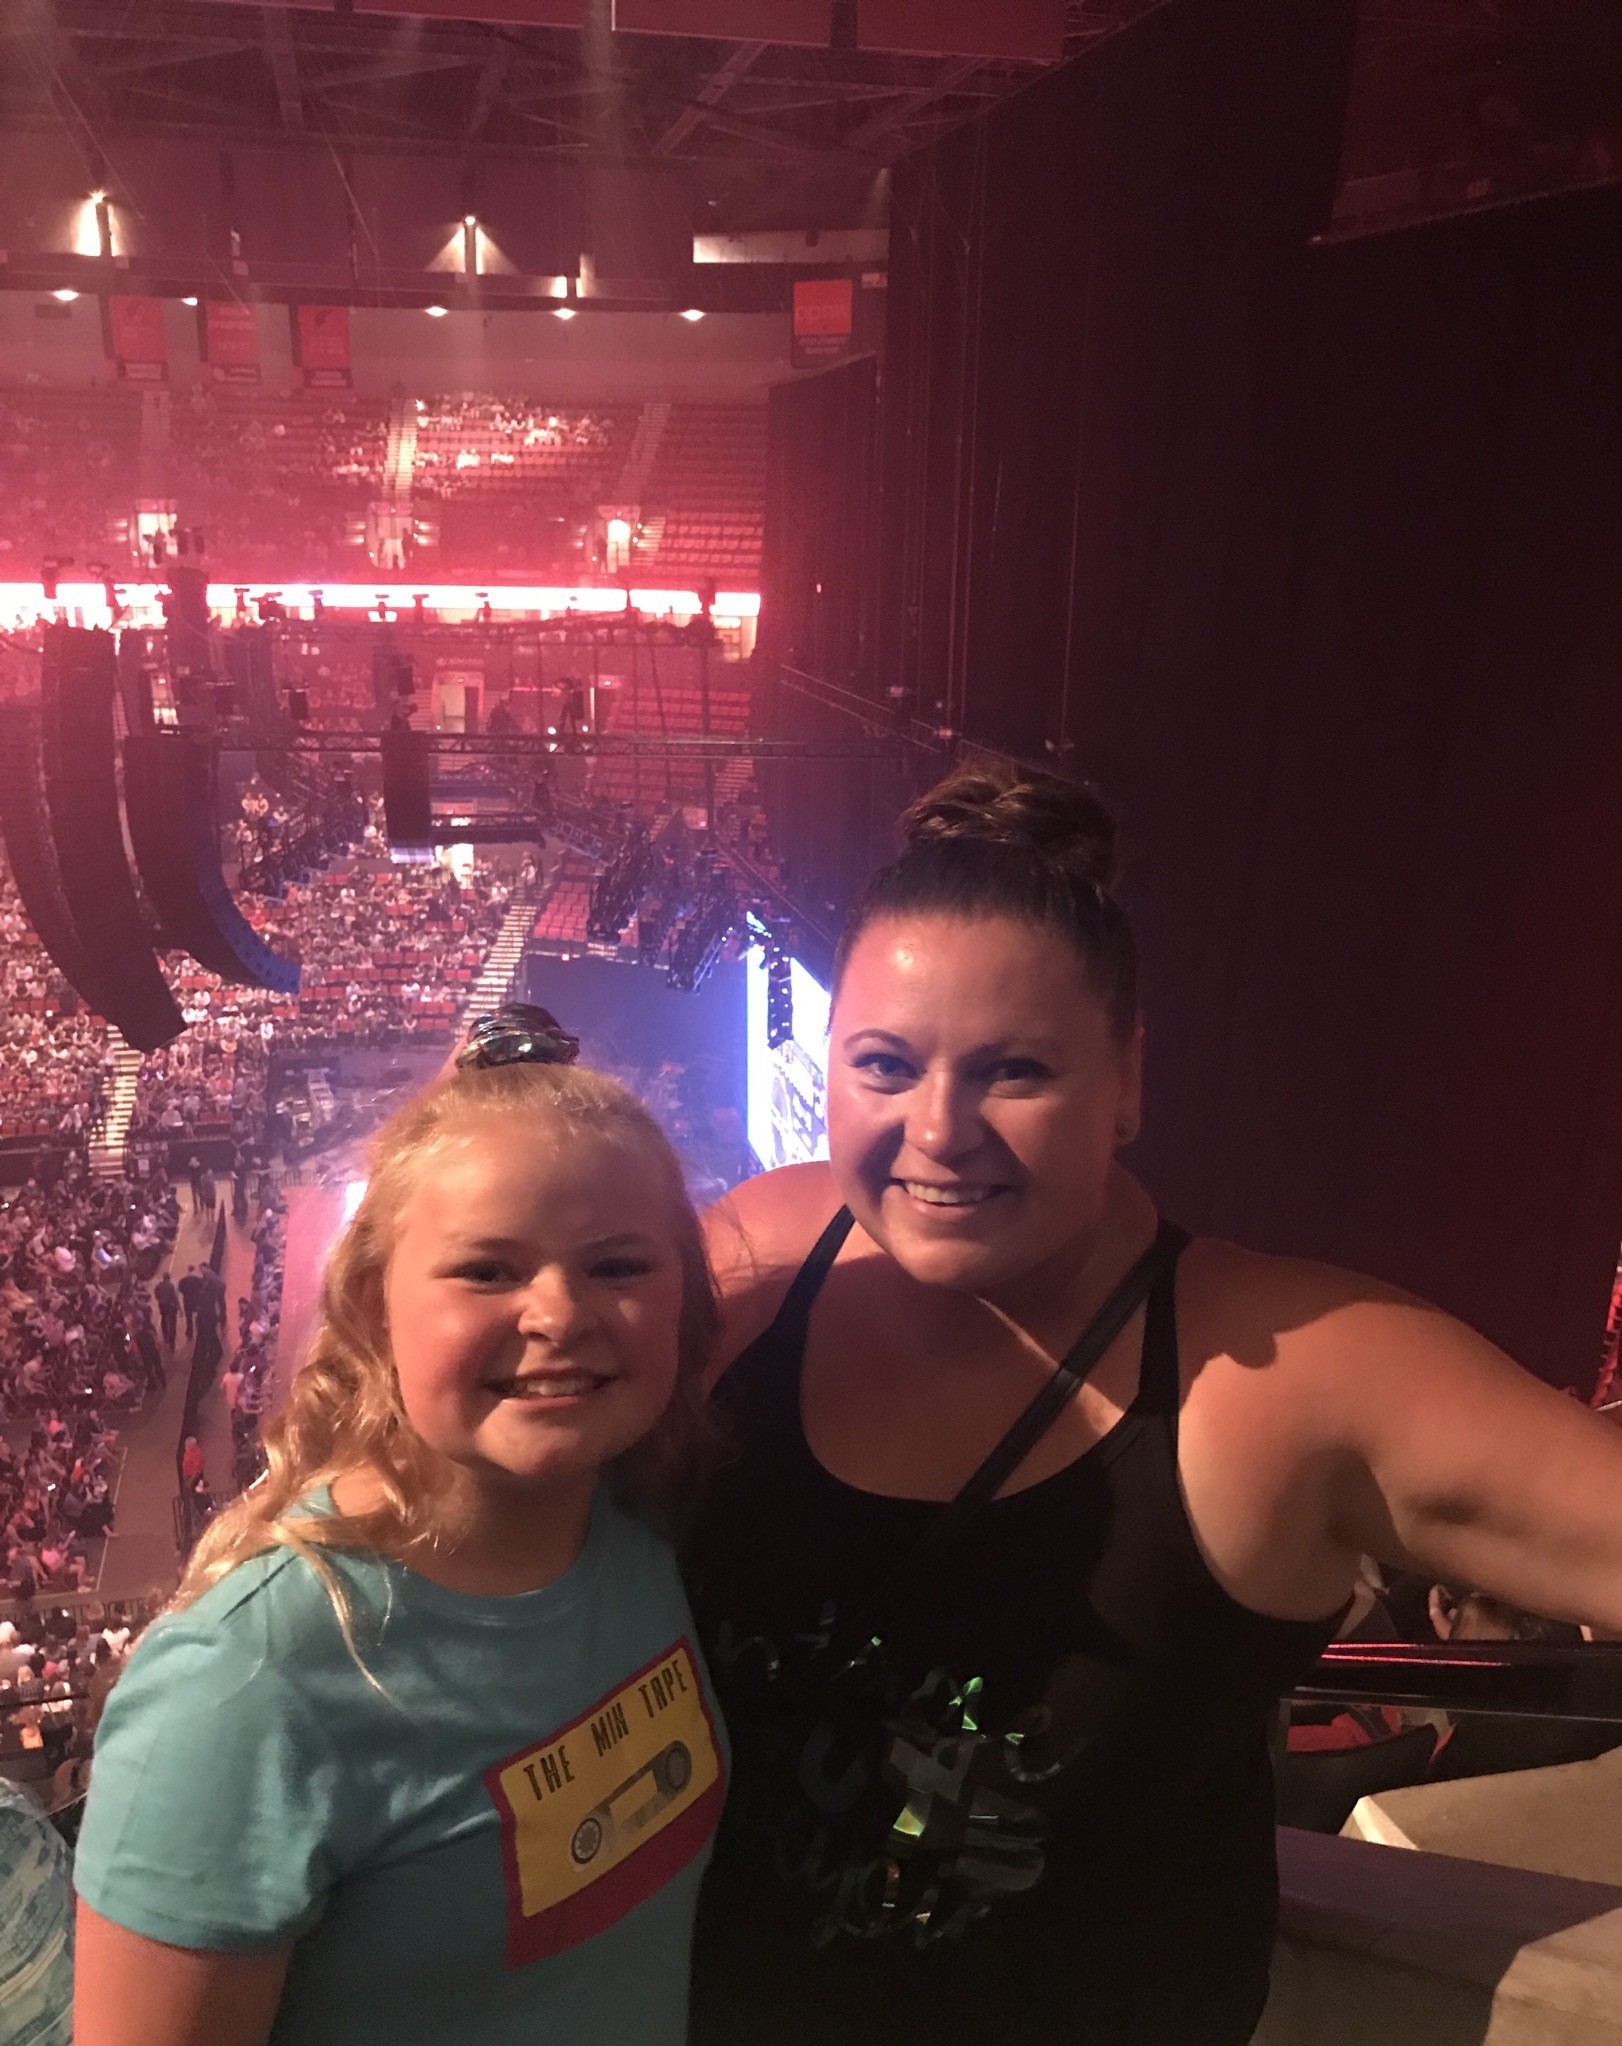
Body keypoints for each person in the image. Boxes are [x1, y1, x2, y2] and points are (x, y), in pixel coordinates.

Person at [683, 761, 1622, 2046]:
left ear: (1126, 1079)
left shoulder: (1284, 1379)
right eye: (884, 1065)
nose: (938, 1131)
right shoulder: (763, 1260)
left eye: (1014, 1071)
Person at [73, 1011, 726, 2046]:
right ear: (374, 1304)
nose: (559, 1314)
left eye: (618, 1267)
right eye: (487, 1270)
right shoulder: (244, 1685)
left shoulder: (638, 1527)